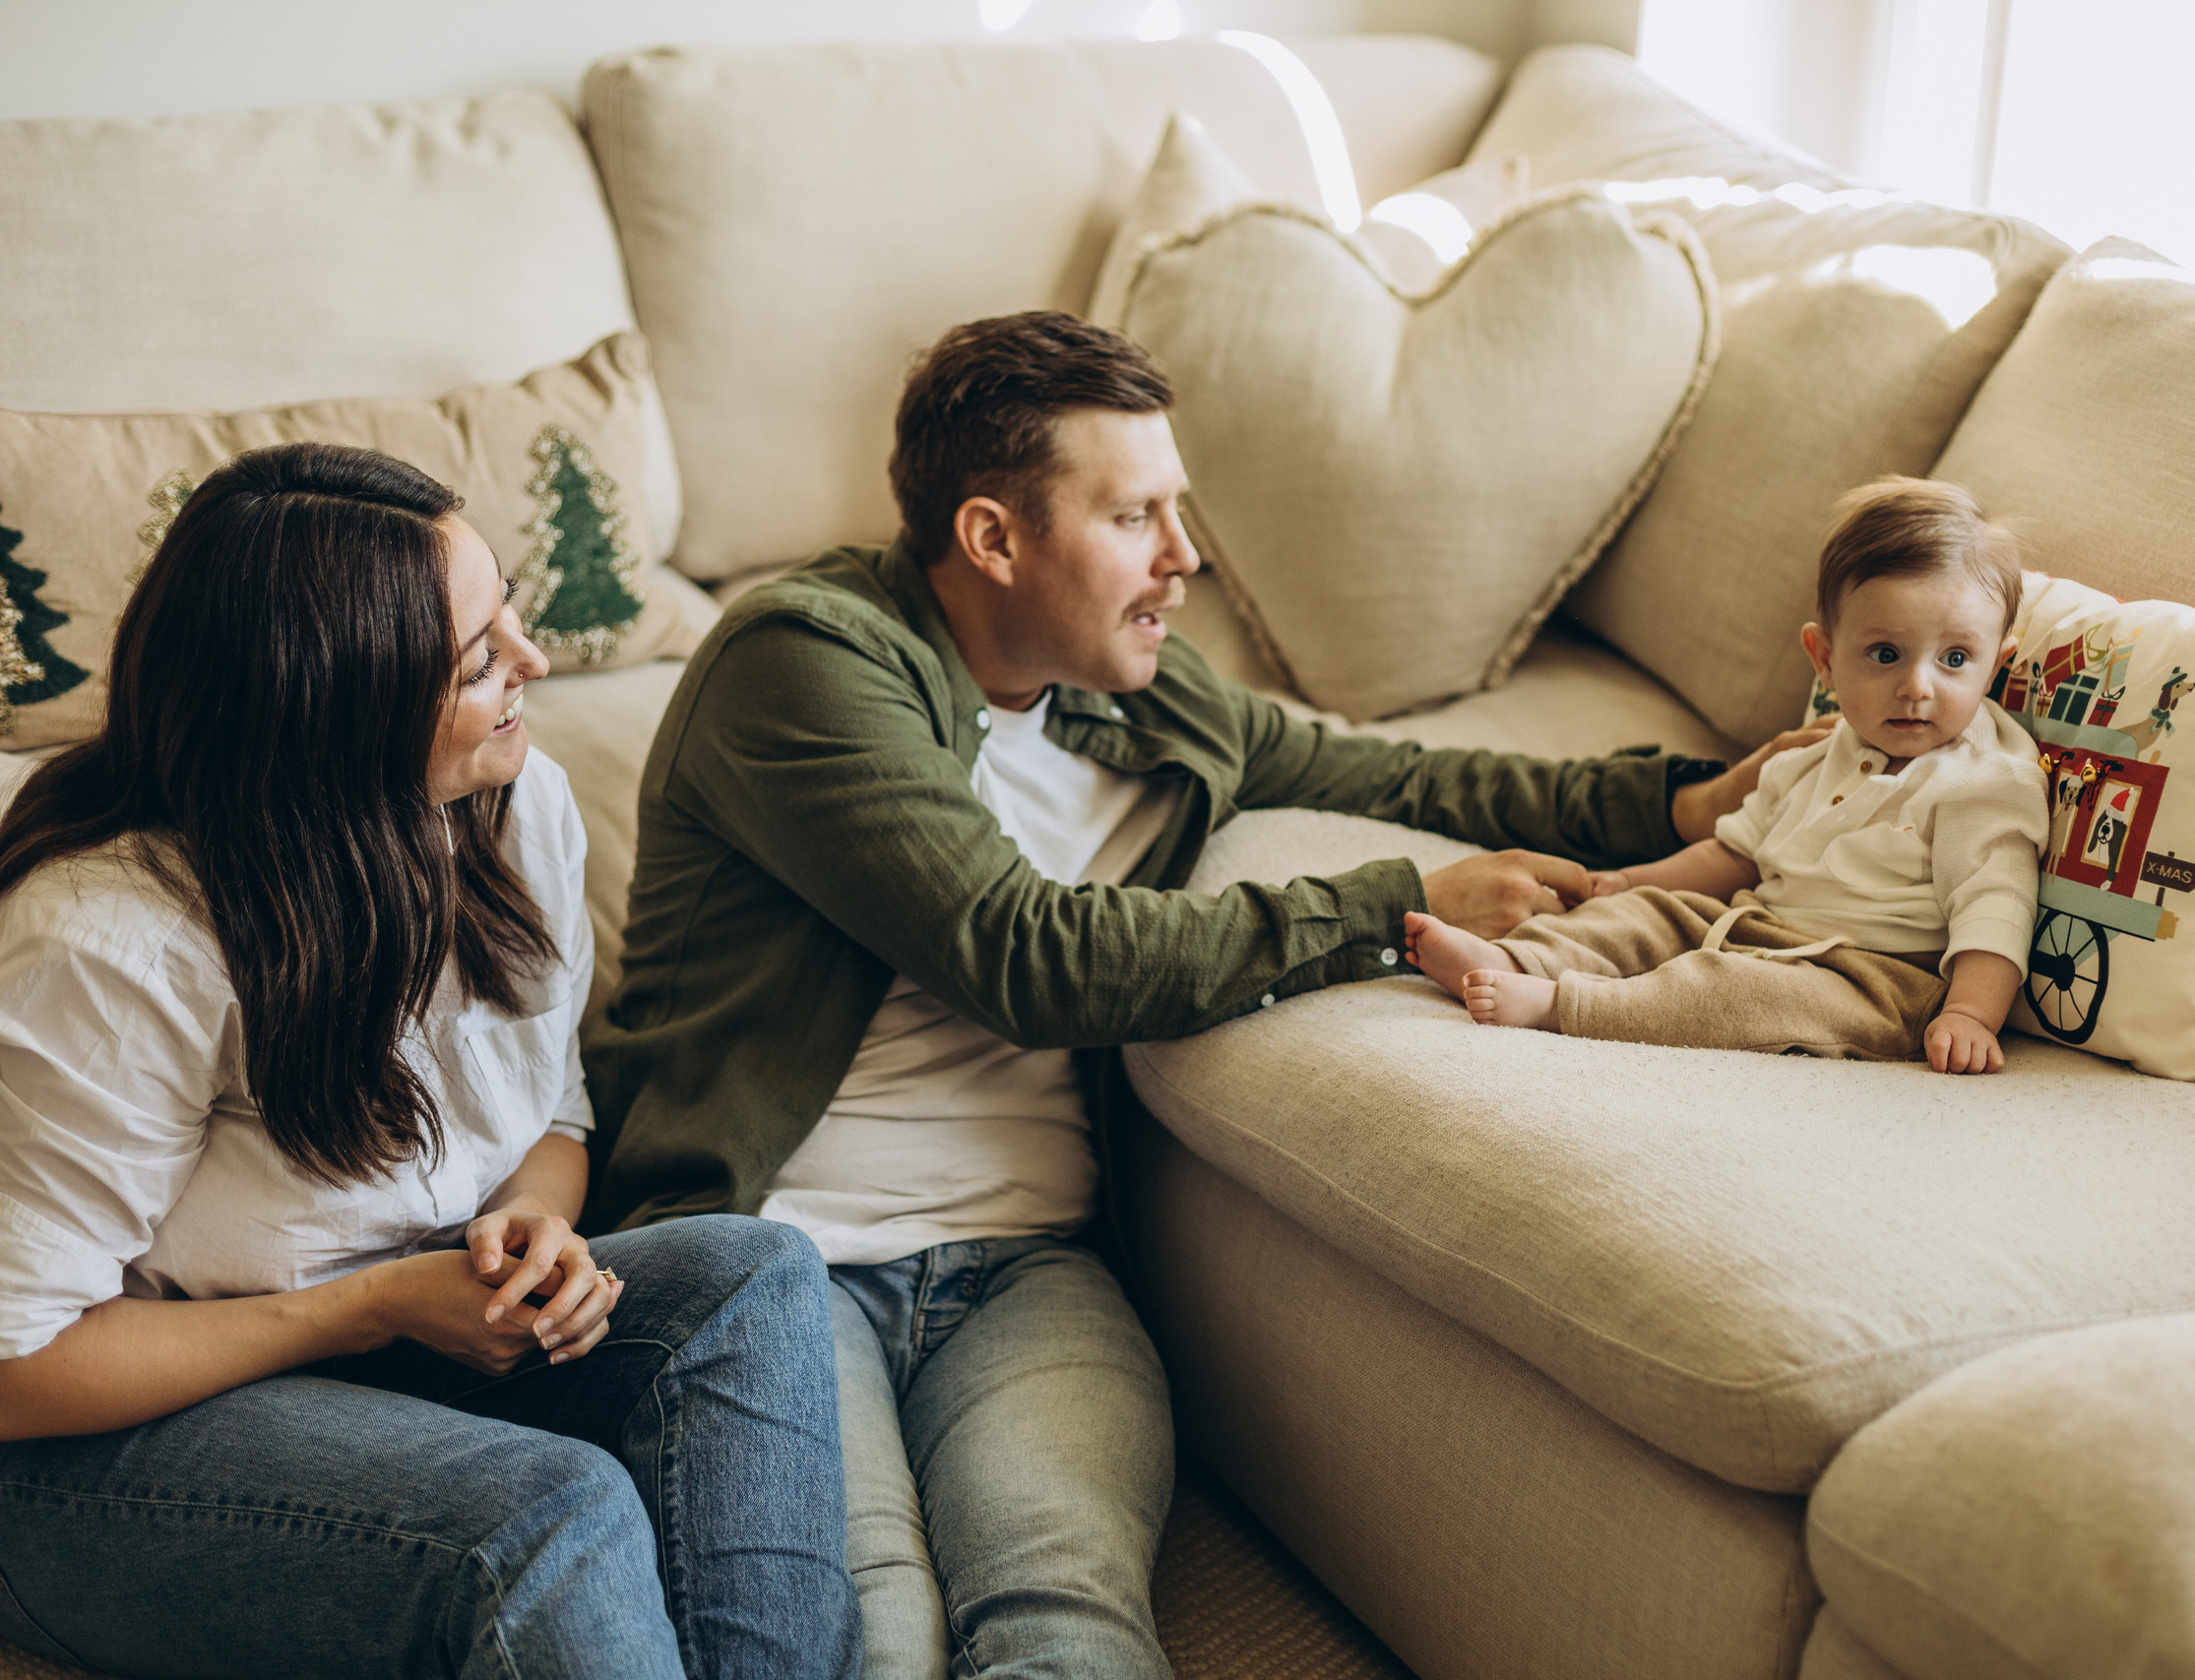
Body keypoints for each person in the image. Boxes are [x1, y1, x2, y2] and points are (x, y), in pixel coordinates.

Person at [583, 311, 1820, 1678]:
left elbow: (1384, 773)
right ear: (993, 538)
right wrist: (1388, 909)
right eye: (1135, 516)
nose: (1187, 554)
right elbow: (1026, 953)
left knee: (1064, 1605)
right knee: (871, 1624)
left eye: (1178, 508)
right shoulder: (805, 663)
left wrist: (1672, 794)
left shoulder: (1139, 690)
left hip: (1029, 1268)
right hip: (780, 1257)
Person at [0, 444, 858, 1680]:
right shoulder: (114, 942)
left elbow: (549, 1114)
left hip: (398, 1329)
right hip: (92, 1437)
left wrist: (528, 1234)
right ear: (336, 709)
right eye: (477, 661)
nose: (535, 663)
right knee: (546, 1512)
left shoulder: (511, 805)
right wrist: (367, 1307)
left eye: (508, 612)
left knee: (756, 1276)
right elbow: (20, 1365)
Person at [1405, 475, 2048, 1075]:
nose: (1917, 686)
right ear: (1824, 659)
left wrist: (1968, 1013)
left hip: (1872, 979)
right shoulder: (1814, 755)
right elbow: (1731, 851)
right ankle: (1519, 957)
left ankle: (1560, 1004)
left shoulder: (1987, 783)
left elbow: (1996, 905)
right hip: (1751, 922)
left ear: (1997, 664)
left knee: (1734, 992)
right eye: (1885, 654)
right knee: (1651, 914)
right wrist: (1626, 883)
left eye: (1956, 658)